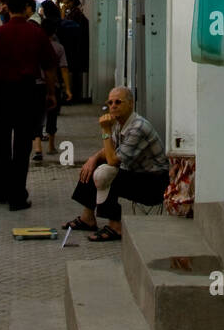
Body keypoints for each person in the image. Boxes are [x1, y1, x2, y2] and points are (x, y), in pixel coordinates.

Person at [0, 0, 59, 211]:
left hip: (4, 92)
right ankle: (17, 195)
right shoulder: (36, 34)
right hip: (28, 92)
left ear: (7, 7)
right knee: (23, 143)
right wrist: (51, 93)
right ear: (25, 8)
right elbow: (49, 67)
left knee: (2, 141)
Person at [66, 87, 169, 243]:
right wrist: (92, 159)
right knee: (93, 167)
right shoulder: (121, 124)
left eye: (118, 102)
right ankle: (87, 218)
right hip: (138, 175)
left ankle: (115, 226)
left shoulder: (138, 127)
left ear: (130, 104)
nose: (113, 106)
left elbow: (113, 160)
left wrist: (105, 130)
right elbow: (109, 151)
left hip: (154, 183)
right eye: (110, 102)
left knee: (106, 174)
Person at [30, 0, 71, 162]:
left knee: (36, 116)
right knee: (52, 115)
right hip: (53, 85)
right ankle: (52, 146)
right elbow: (64, 69)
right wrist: (67, 89)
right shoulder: (58, 48)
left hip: (35, 85)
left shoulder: (33, 45)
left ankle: (37, 148)